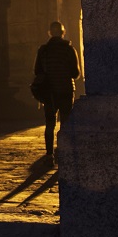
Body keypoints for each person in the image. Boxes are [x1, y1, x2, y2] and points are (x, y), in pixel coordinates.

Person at [34, 21, 81, 166]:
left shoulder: (43, 50)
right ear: (63, 33)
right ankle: (64, 149)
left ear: (50, 33)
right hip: (66, 90)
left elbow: (37, 72)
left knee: (50, 123)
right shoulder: (69, 49)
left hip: (49, 93)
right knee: (65, 122)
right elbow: (75, 73)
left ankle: (49, 153)